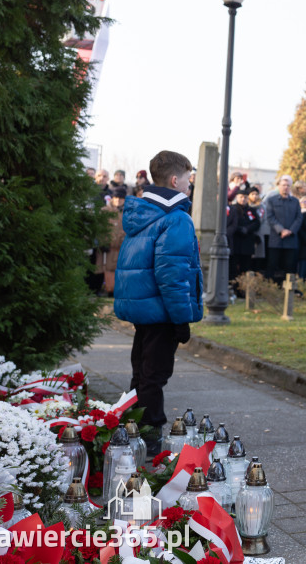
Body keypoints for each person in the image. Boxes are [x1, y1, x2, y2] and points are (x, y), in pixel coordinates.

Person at [114, 151, 203, 455]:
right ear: (175, 180)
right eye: (188, 181)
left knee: (142, 372)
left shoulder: (143, 213)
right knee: (154, 376)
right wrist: (181, 318)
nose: (190, 188)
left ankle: (132, 430)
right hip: (163, 312)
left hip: (145, 310)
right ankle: (149, 439)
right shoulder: (176, 219)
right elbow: (172, 274)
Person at [264, 175, 302, 283]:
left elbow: (299, 218)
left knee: (290, 266)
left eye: (288, 185)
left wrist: (290, 231)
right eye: (283, 185)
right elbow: (270, 217)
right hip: (276, 239)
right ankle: (269, 287)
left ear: (291, 187)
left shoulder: (295, 201)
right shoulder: (271, 200)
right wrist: (281, 230)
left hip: (291, 239)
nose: (286, 187)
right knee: (272, 264)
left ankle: (288, 288)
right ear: (279, 186)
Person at [99, 185, 128, 296]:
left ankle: (119, 291)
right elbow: (100, 228)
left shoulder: (128, 212)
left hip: (122, 248)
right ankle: (108, 289)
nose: (117, 200)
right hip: (108, 247)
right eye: (115, 198)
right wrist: (102, 242)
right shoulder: (104, 211)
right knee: (108, 269)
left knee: (121, 270)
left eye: (120, 198)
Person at [228, 190, 260, 283]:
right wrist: (239, 229)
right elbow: (230, 223)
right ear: (237, 197)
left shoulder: (251, 210)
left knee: (245, 268)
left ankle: (243, 289)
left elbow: (257, 223)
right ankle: (233, 287)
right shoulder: (232, 208)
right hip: (235, 242)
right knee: (233, 267)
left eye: (245, 197)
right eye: (241, 197)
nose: (243, 199)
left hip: (247, 242)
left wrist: (247, 229)